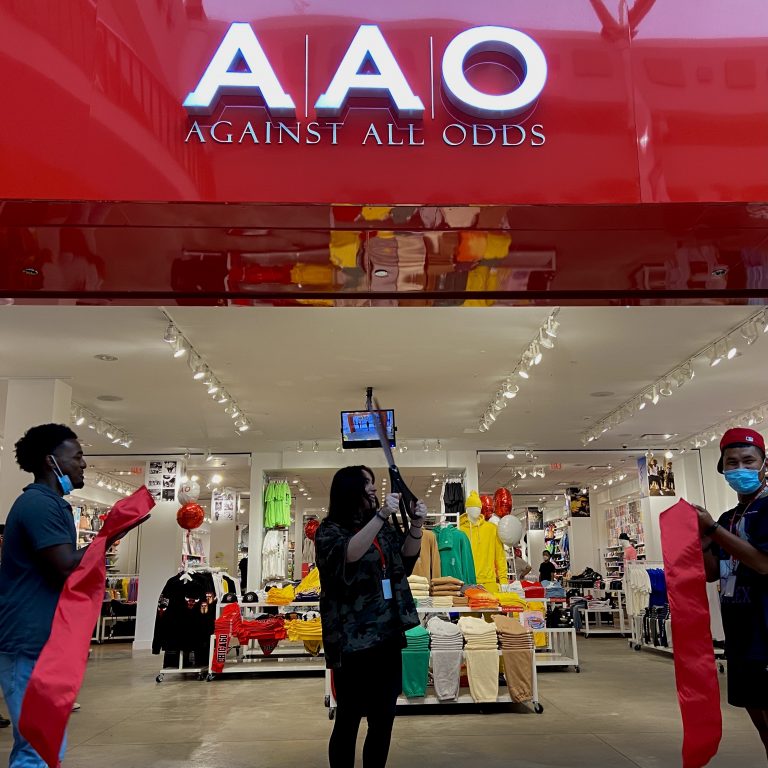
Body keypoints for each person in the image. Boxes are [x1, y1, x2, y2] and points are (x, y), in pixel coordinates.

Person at [315, 466, 427, 768]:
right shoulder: (329, 530)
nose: (374, 488)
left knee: (383, 718)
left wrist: (417, 524)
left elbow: (406, 557)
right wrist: (380, 517)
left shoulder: (382, 527)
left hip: (387, 636)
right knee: (348, 718)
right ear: (349, 489)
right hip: (351, 641)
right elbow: (348, 555)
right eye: (367, 483)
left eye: (374, 482)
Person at [0, 424, 87, 767]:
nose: (83, 464)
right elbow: (64, 565)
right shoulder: (38, 504)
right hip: (27, 642)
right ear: (52, 461)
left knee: (44, 743)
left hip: (41, 641)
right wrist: (108, 536)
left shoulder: (51, 504)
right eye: (77, 457)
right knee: (36, 747)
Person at [698, 428, 768, 760]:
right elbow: (713, 572)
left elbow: (763, 564)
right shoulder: (729, 517)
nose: (740, 469)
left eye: (748, 461)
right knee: (759, 718)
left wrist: (712, 529)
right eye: (732, 462)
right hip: (740, 631)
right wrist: (703, 541)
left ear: (764, 464)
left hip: (765, 630)